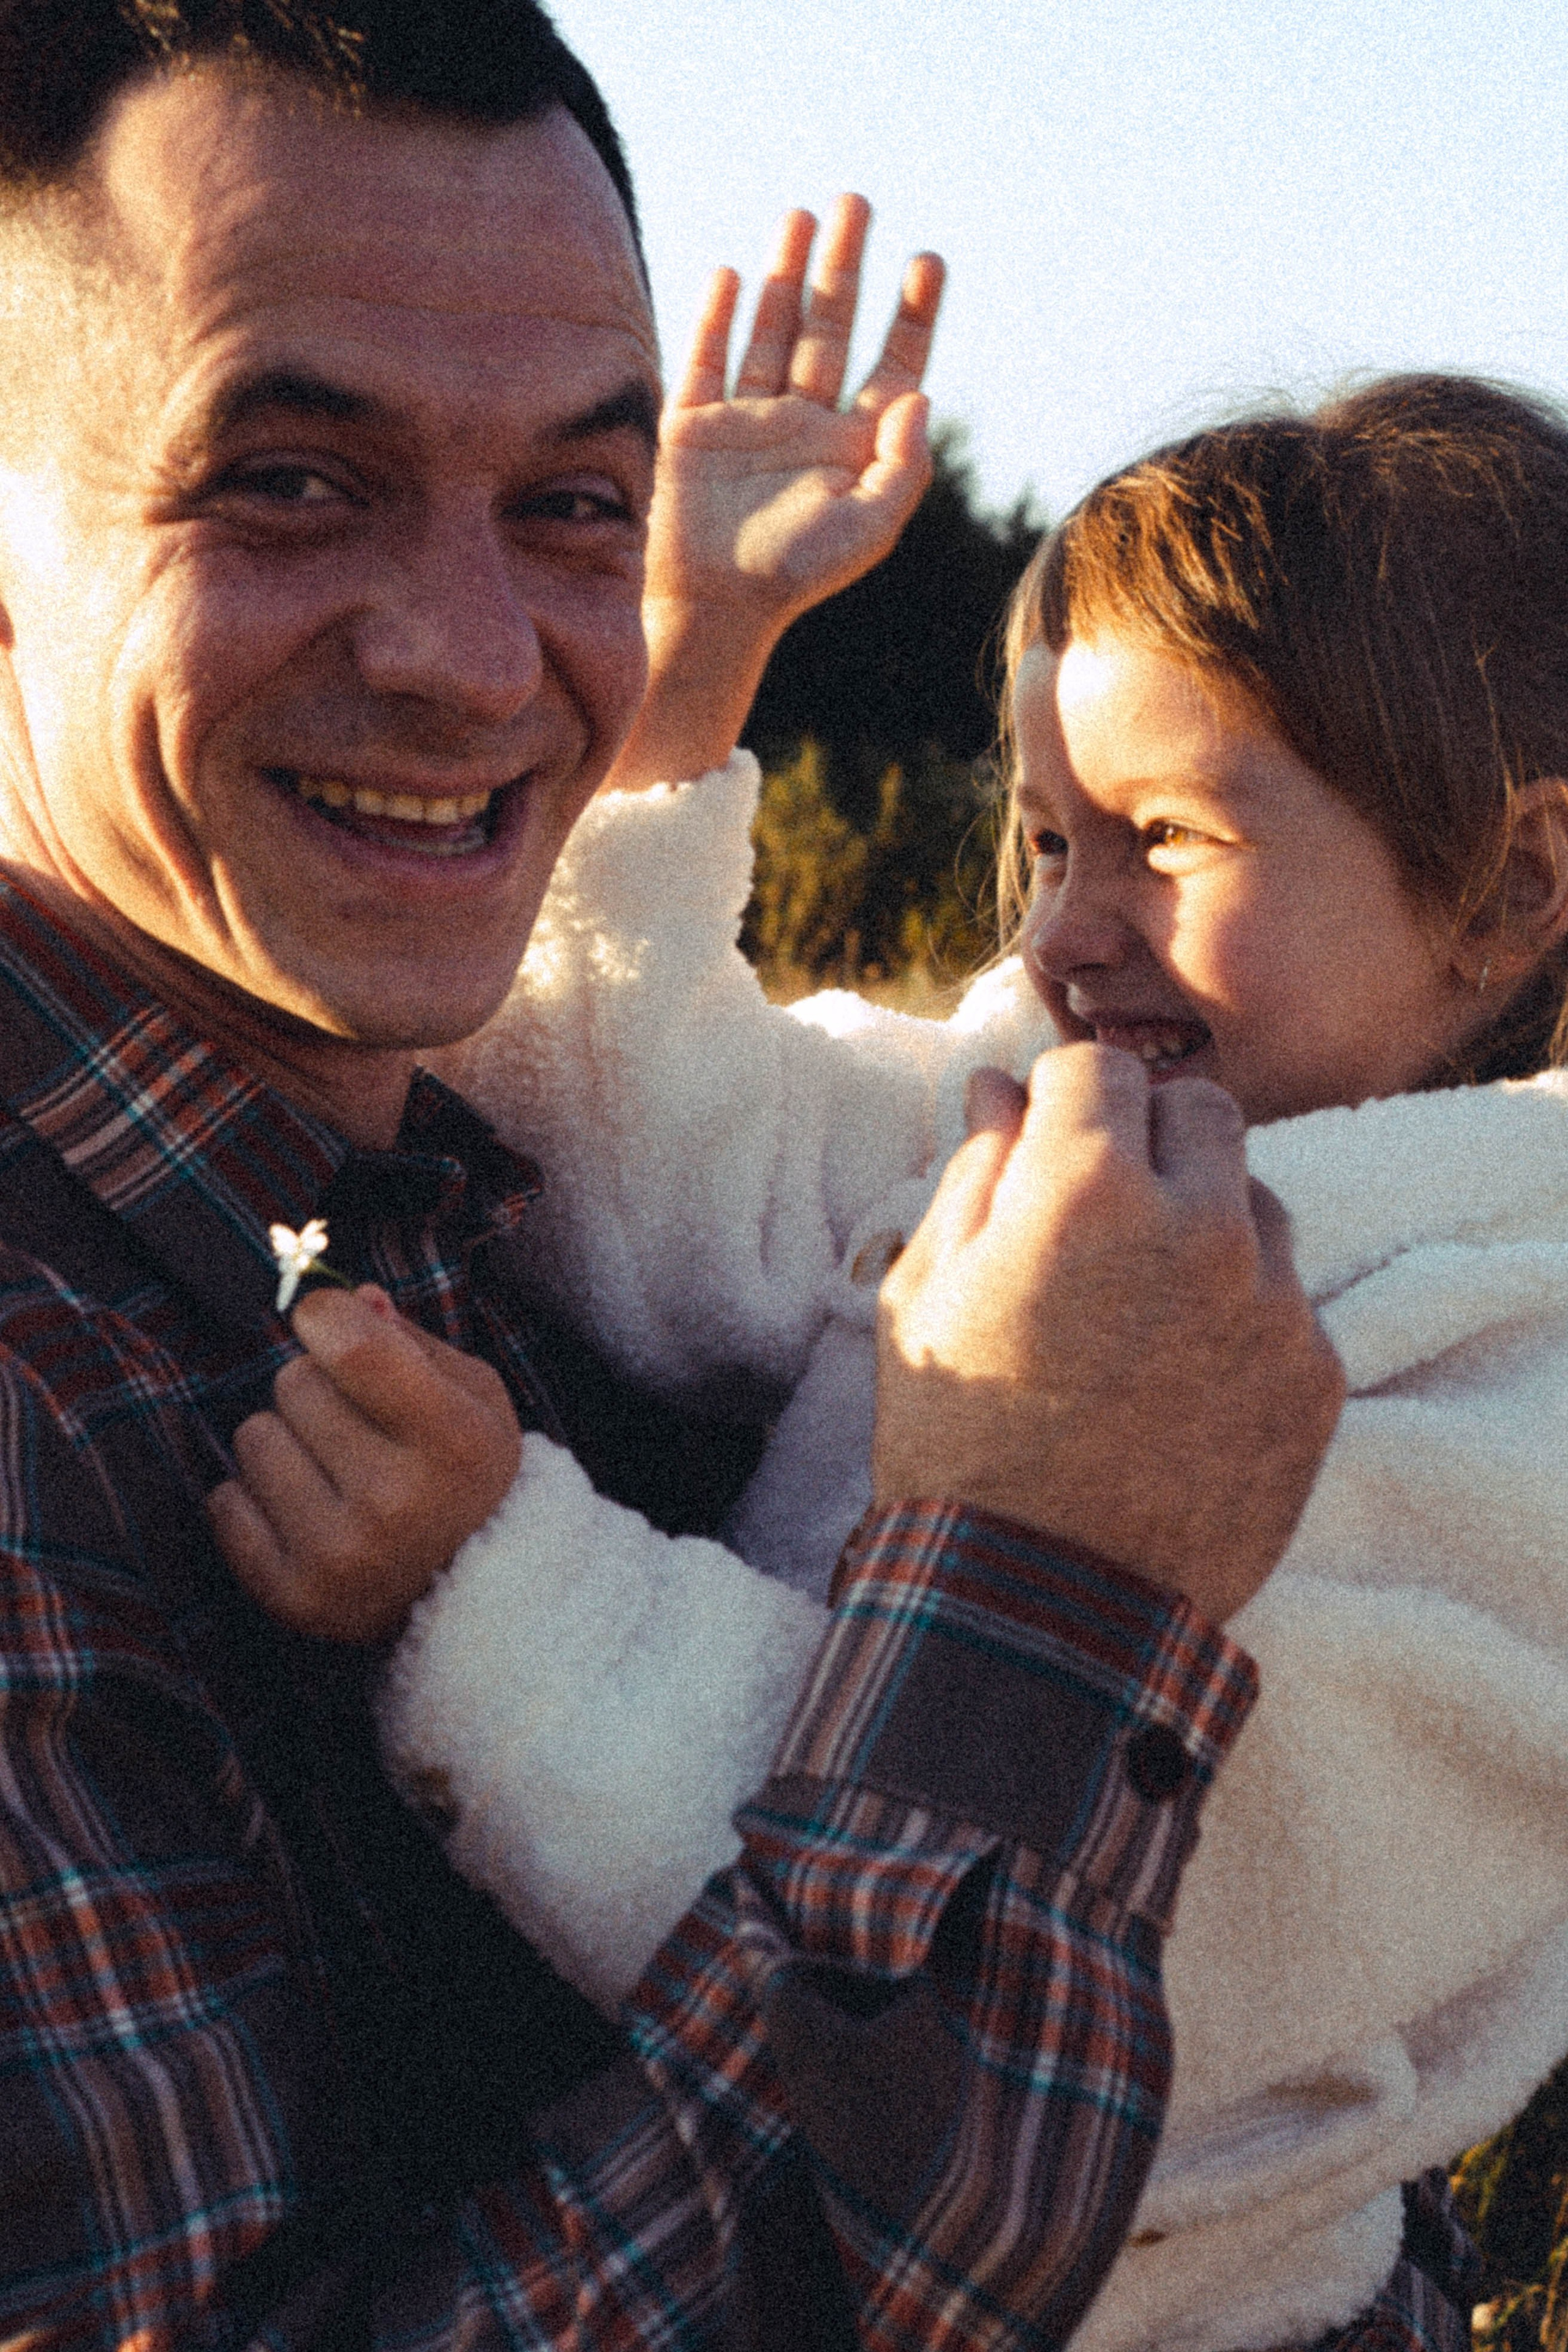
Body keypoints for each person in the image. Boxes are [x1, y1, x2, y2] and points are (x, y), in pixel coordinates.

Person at [0, 2, 1365, 2344]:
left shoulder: (488, 1205)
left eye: (568, 505)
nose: (472, 656)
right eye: (288, 483)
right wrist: (1044, 1602)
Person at [214, 363, 1568, 2345]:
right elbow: (643, 1170)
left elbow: (1016, 1971)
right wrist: (685, 687)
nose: (1066, 935)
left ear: (1517, 888)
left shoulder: (1511, 1378)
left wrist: (497, 1587)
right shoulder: (1017, 1106)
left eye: (1169, 840)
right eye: (1046, 841)